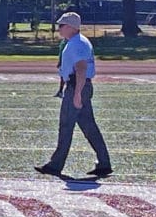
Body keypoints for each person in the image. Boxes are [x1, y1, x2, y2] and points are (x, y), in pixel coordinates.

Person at [34, 11, 112, 178]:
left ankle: (55, 165)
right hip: (80, 86)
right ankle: (104, 163)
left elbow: (81, 69)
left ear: (70, 27)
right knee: (89, 127)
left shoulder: (76, 44)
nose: (59, 29)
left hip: (78, 86)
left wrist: (76, 94)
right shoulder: (78, 42)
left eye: (61, 25)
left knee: (66, 126)